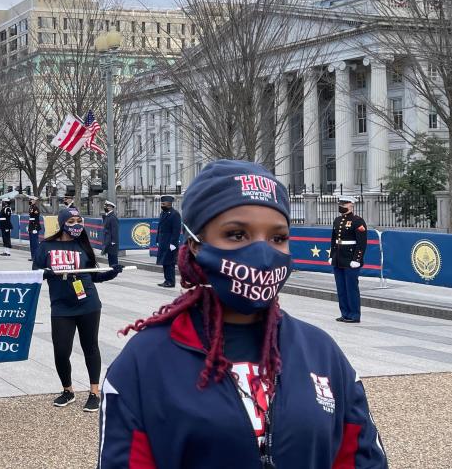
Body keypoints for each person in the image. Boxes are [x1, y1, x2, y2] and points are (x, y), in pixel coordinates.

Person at [98, 160, 387, 468]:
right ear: (196, 244)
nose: (263, 254)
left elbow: (361, 457)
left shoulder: (322, 352)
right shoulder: (143, 363)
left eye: (278, 238)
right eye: (237, 234)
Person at [33, 206, 120, 412]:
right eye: (71, 222)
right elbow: (35, 273)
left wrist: (112, 273)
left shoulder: (83, 245)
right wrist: (46, 273)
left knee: (90, 347)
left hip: (88, 303)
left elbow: (94, 275)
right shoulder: (46, 246)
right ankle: (68, 390)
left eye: (79, 221)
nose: (77, 225)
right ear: (62, 224)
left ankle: (94, 392)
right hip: (61, 306)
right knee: (61, 351)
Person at [331, 195, 368, 324]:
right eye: (340, 203)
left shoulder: (358, 221)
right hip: (339, 258)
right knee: (341, 288)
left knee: (351, 288)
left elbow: (361, 243)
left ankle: (354, 315)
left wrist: (357, 259)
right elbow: (334, 240)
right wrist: (332, 256)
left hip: (350, 259)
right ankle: (345, 313)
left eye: (344, 204)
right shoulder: (337, 220)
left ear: (351, 205)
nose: (341, 206)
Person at [156, 194, 182, 288]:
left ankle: (171, 281)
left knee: (170, 263)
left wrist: (173, 243)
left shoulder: (175, 214)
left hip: (170, 242)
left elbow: (176, 230)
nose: (162, 205)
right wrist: (157, 239)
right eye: (161, 203)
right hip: (163, 242)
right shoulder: (163, 213)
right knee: (164, 262)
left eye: (164, 203)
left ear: (169, 203)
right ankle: (167, 280)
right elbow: (160, 228)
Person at [101, 200, 119, 268]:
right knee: (110, 257)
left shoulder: (113, 217)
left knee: (113, 257)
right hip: (108, 240)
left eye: (107, 206)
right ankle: (112, 269)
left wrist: (113, 241)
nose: (105, 207)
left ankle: (115, 269)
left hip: (112, 241)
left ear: (111, 207)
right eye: (105, 206)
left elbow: (115, 231)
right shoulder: (108, 216)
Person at [27, 197, 42, 263]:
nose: (30, 201)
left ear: (34, 201)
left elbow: (36, 218)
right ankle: (33, 256)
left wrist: (35, 228)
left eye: (31, 200)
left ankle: (37, 257)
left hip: (34, 227)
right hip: (31, 226)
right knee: (32, 243)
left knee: (35, 243)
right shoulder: (31, 207)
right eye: (30, 200)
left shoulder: (35, 208)